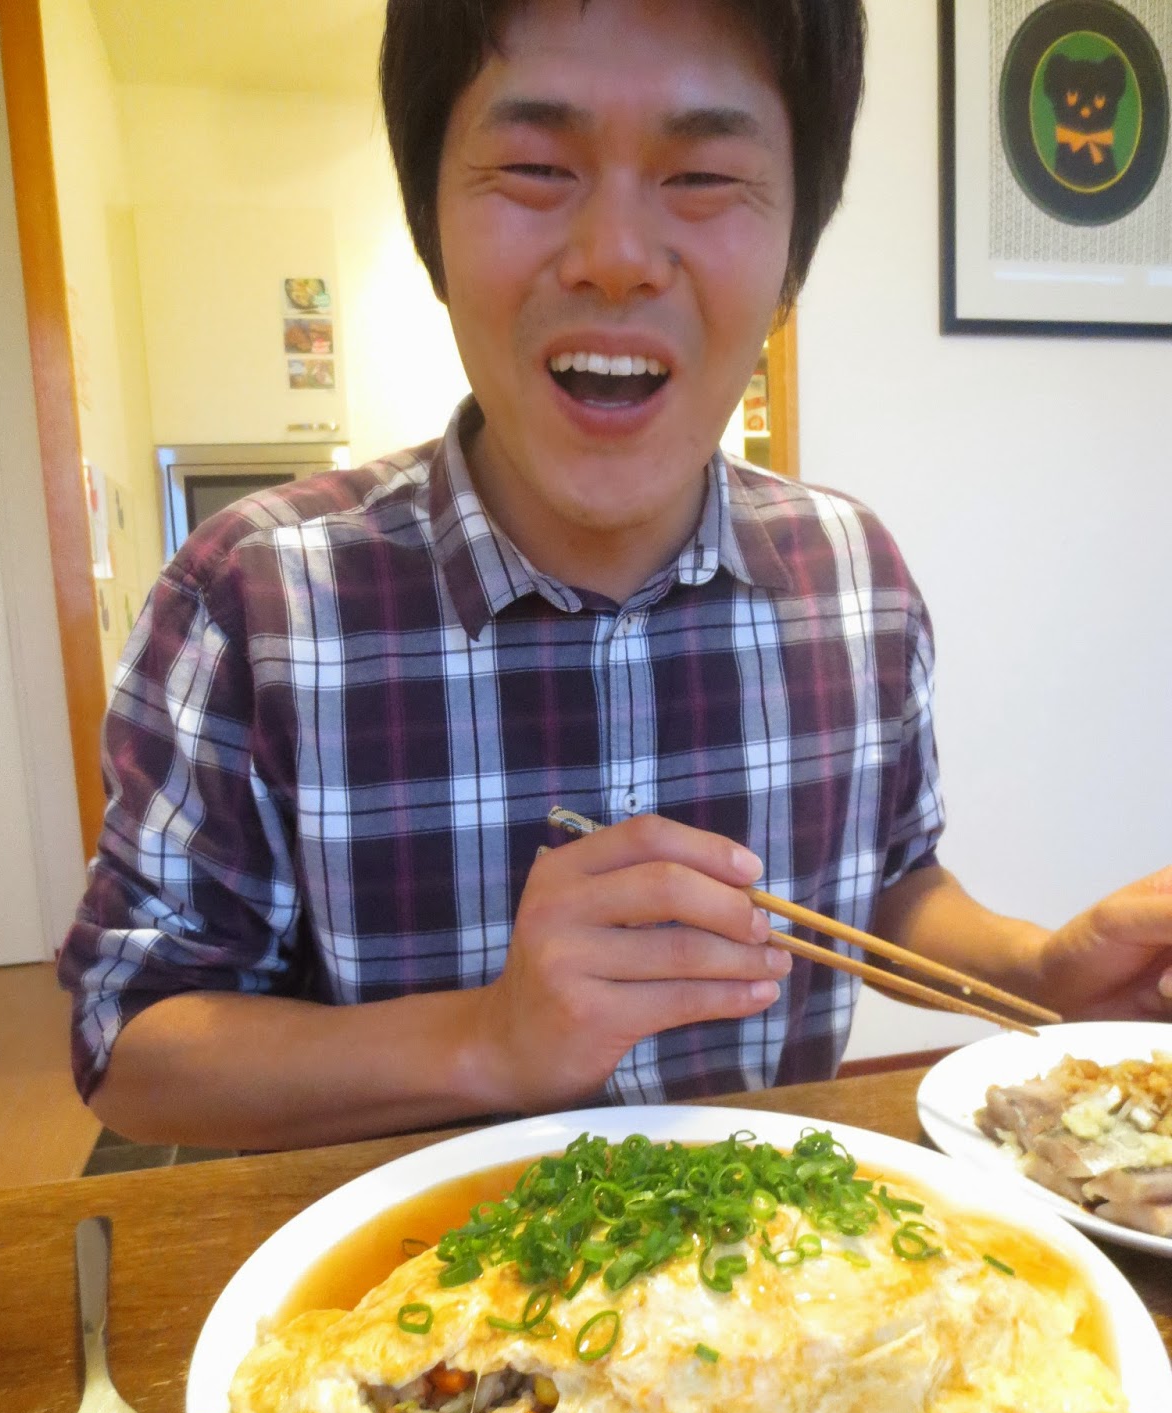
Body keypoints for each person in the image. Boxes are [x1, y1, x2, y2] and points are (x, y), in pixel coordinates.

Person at [58, 0, 1172, 1150]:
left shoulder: (854, 580)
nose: (615, 259)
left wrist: (1040, 972)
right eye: (537, 166)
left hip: (786, 1254)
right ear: (430, 216)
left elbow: (887, 887)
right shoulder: (252, 599)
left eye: (704, 176)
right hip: (413, 1261)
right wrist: (488, 1038)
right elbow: (127, 1037)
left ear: (794, 251)